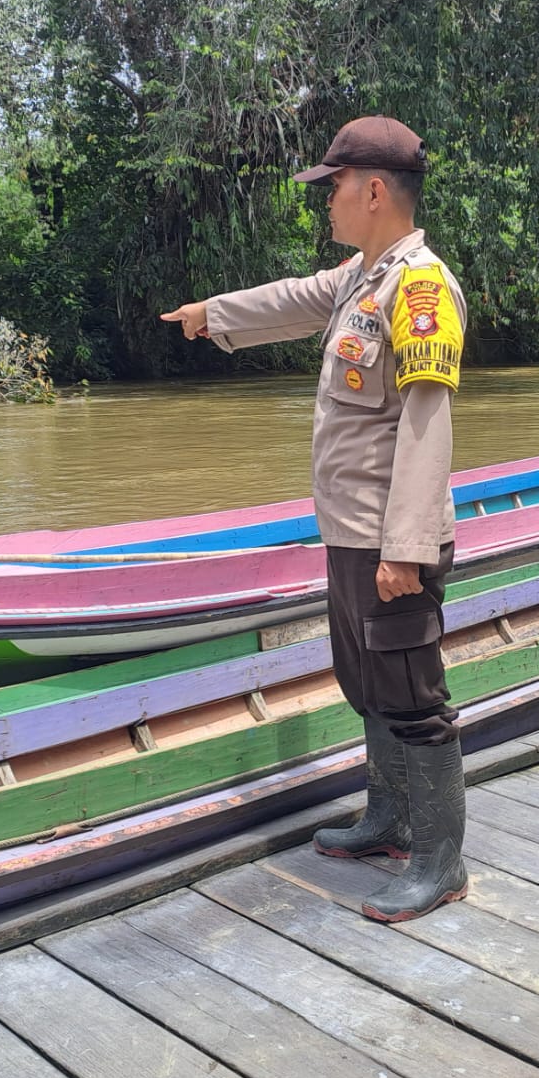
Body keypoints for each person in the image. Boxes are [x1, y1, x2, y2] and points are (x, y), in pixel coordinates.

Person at [161, 115, 469, 922]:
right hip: (349, 535)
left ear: (373, 190)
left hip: (388, 541)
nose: (324, 201)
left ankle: (439, 859)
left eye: (332, 186)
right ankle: (389, 820)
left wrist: (404, 549)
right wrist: (211, 313)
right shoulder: (360, 278)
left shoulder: (423, 289)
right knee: (364, 682)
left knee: (412, 697)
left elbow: (425, 425)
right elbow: (291, 300)